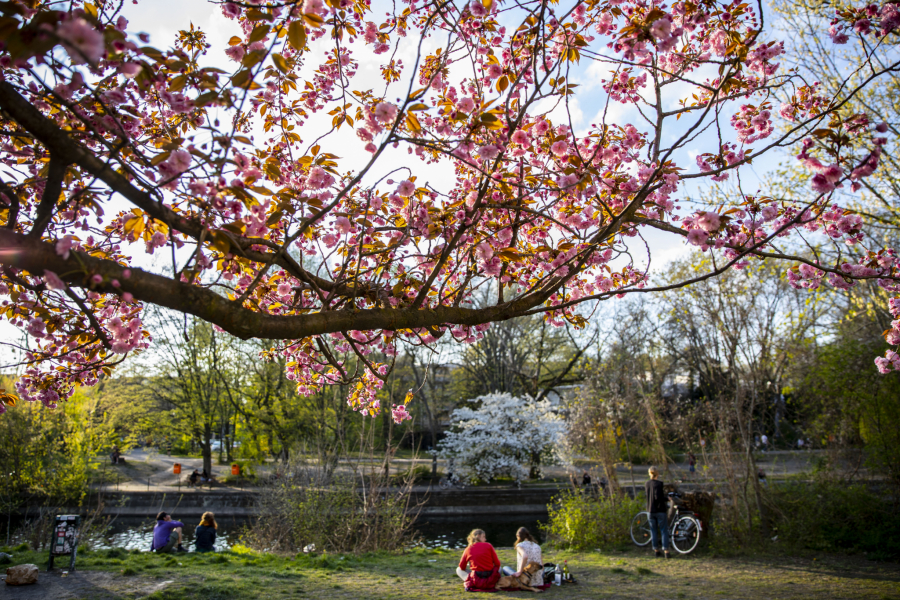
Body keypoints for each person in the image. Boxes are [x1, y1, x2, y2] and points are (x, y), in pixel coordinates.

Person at [645, 466, 670, 559]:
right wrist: (667, 498)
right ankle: (666, 551)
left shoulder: (647, 484)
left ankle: (656, 550)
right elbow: (658, 497)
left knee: (653, 531)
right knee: (664, 530)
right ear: (657, 474)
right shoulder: (659, 484)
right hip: (659, 510)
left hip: (650, 510)